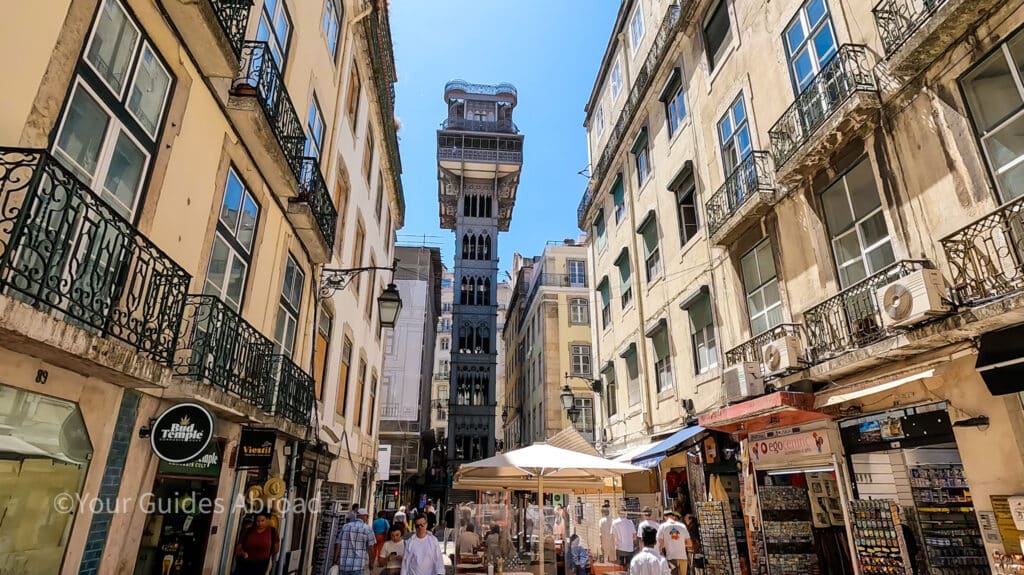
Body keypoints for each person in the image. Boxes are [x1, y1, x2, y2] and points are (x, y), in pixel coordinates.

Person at [333, 508, 375, 575]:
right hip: (358, 566)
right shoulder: (368, 529)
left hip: (344, 565)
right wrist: (371, 563)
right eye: (367, 516)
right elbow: (371, 548)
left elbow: (338, 544)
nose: (367, 518)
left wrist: (335, 560)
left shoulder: (345, 526)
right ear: (363, 516)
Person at [656, 510, 690, 575]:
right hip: (683, 558)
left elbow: (660, 544)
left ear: (665, 517)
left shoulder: (662, 526)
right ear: (673, 517)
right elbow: (689, 543)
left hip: (671, 558)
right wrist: (680, 543)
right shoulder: (682, 526)